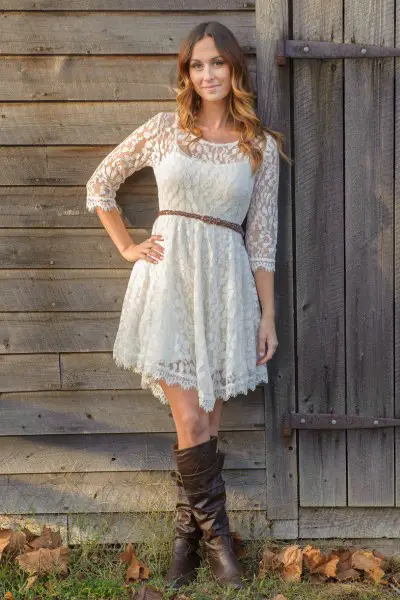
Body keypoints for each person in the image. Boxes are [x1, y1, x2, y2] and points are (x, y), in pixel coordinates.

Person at [86, 20, 290, 592]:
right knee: (191, 417)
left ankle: (186, 540)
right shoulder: (163, 130)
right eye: (198, 65)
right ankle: (219, 542)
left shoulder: (260, 147)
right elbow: (101, 184)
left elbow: (263, 238)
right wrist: (127, 244)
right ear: (187, 73)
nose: (208, 75)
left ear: (235, 70)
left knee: (205, 418)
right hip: (169, 281)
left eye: (218, 64)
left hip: (225, 288)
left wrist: (268, 315)